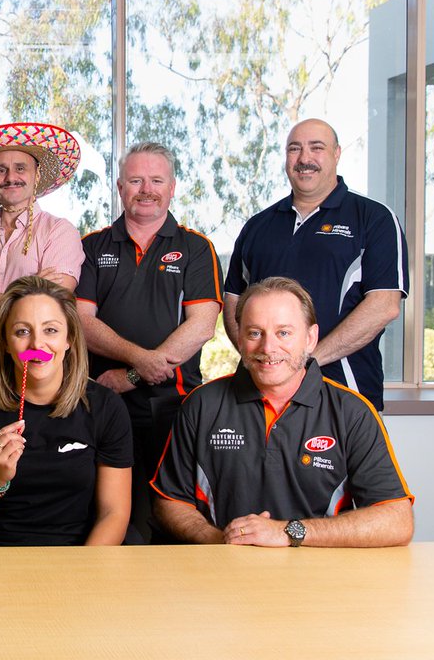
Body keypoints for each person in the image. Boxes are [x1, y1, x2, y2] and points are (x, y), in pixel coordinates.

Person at [152, 277, 413, 547]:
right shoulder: (201, 405)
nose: (268, 348)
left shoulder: (352, 412)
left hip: (320, 578)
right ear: (239, 337)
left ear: (310, 338)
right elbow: (170, 501)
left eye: (283, 333)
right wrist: (221, 540)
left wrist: (289, 532)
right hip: (223, 570)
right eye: (255, 333)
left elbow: (397, 520)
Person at [74, 141, 222, 539]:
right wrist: (139, 362)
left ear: (172, 187)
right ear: (120, 187)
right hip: (101, 400)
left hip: (173, 406)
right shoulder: (92, 246)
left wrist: (134, 376)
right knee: (105, 511)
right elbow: (81, 322)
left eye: (156, 180)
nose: (146, 189)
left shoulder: (195, 248)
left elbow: (202, 325)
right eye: (136, 180)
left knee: (168, 514)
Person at [224, 118, 409, 411]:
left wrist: (306, 364)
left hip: (346, 394)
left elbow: (384, 306)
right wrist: (263, 361)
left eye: (316, 148)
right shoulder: (257, 226)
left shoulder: (374, 219)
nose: (304, 158)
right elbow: (234, 304)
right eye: (294, 149)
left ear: (337, 153)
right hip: (261, 395)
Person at [0, 275, 132, 545]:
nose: (36, 345)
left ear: (69, 339)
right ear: (5, 342)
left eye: (50, 330)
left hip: (74, 564)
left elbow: (114, 513)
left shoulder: (106, 408)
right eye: (22, 331)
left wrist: (84, 578)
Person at [0, 122, 85, 390]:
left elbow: (51, 311)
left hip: (33, 384)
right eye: (1, 170)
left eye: (20, 168)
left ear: (36, 174)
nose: (11, 177)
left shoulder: (59, 232)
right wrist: (25, 306)